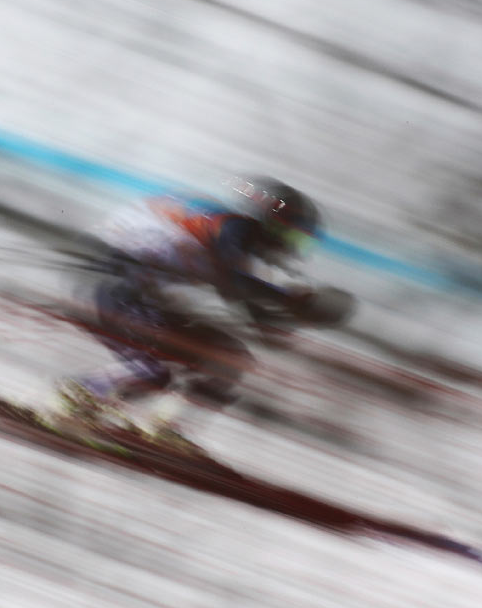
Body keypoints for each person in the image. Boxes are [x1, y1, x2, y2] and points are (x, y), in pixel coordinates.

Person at [47, 176, 326, 450]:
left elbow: (239, 291)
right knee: (154, 371)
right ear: (270, 222)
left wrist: (273, 320)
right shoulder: (233, 227)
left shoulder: (225, 233)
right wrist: (287, 302)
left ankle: (164, 430)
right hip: (111, 286)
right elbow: (237, 284)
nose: (290, 248)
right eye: (292, 237)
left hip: (111, 287)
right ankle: (79, 396)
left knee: (230, 357)